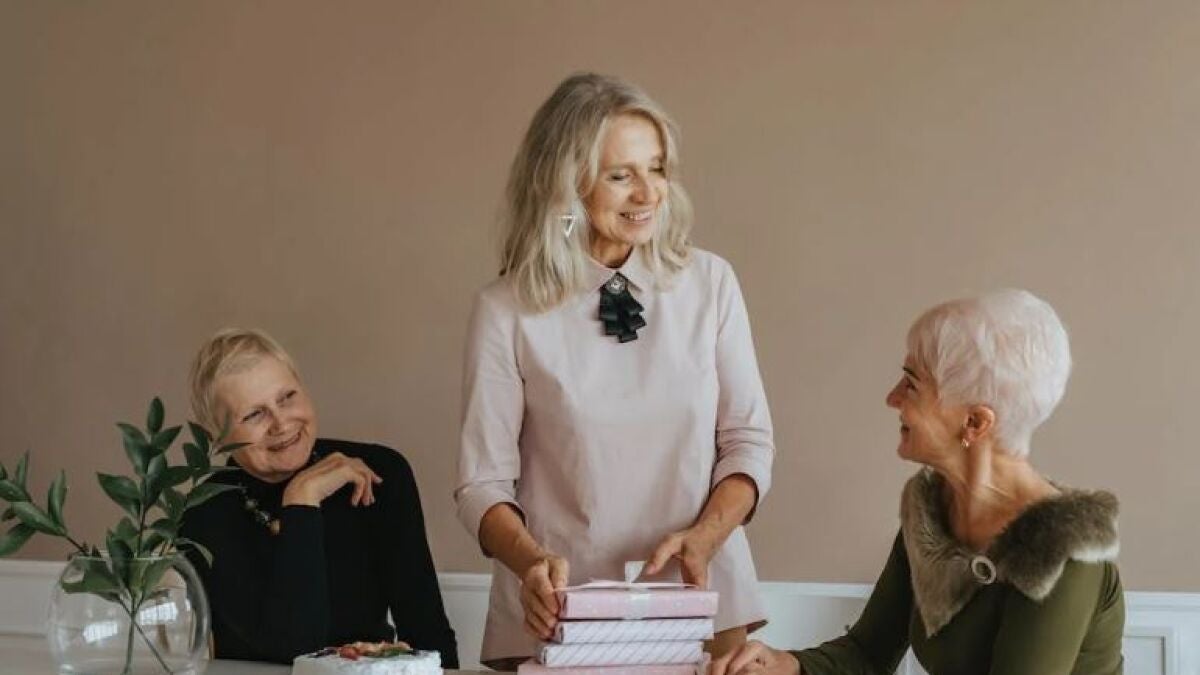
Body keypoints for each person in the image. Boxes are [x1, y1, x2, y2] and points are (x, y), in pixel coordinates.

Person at [456, 72, 775, 668]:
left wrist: (706, 536)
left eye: (657, 168)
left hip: (698, 606)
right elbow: (482, 484)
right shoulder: (505, 310)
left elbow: (747, 441)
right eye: (620, 175)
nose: (648, 193)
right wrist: (531, 564)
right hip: (558, 617)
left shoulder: (710, 284)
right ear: (566, 184)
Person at [712, 290, 1124, 675]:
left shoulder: (1061, 551)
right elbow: (867, 654)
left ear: (975, 422)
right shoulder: (932, 514)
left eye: (911, 383)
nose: (892, 398)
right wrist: (785, 665)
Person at [179, 328, 458, 666]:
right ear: (217, 437)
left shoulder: (380, 471)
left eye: (287, 397)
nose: (281, 423)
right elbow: (293, 650)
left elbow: (428, 634)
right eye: (254, 414)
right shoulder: (205, 512)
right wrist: (302, 501)